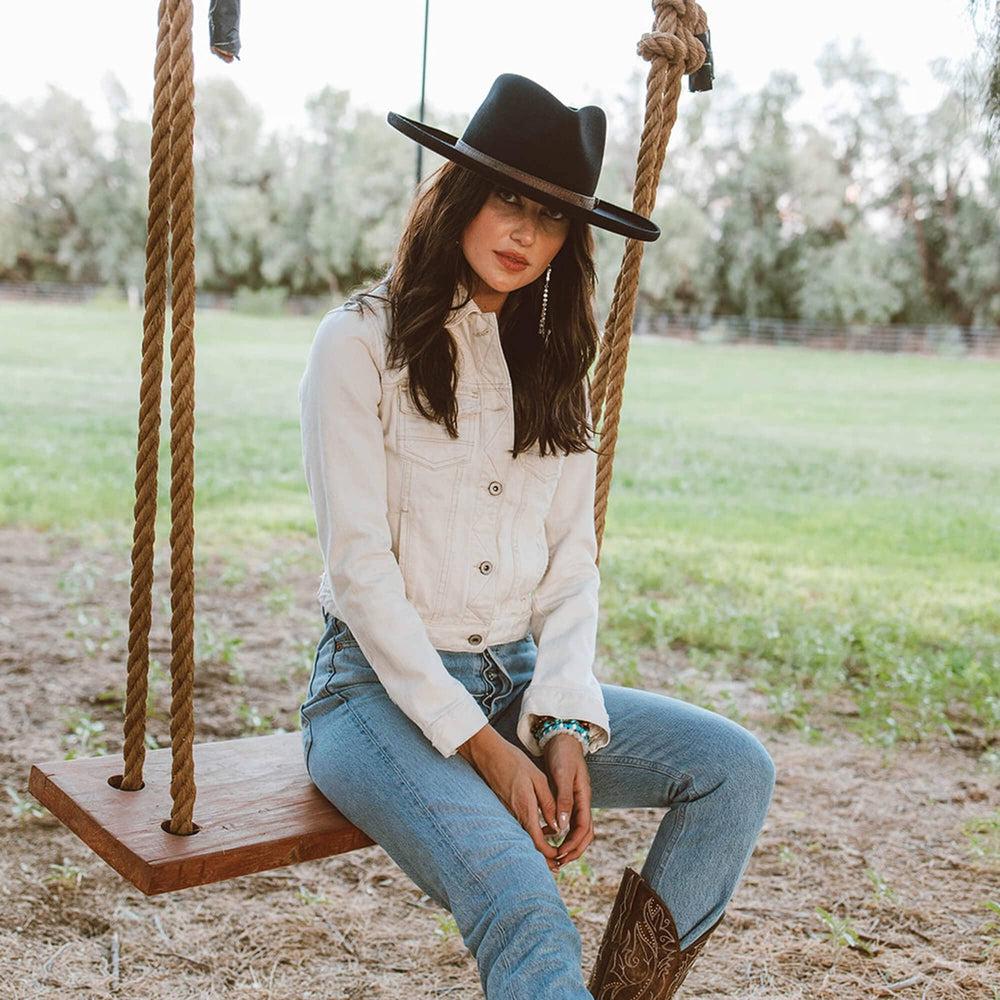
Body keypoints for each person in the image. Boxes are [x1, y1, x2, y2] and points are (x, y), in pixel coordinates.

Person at [297, 73, 776, 1000]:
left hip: (515, 679)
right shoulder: (357, 345)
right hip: (373, 694)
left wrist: (558, 721)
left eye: (550, 217)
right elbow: (359, 572)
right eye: (507, 201)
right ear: (459, 195)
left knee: (732, 769)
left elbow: (570, 567)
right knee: (526, 916)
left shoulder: (556, 371)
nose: (523, 232)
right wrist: (484, 747)